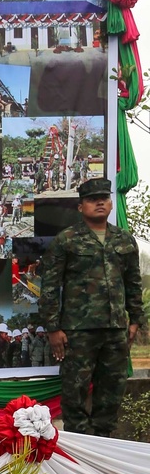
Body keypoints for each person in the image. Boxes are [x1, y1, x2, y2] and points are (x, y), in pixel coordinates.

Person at [38, 177, 145, 435]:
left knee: (111, 395)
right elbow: (50, 286)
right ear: (80, 206)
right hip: (78, 331)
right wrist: (53, 328)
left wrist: (135, 320)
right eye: (92, 199)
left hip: (115, 331)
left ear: (110, 204)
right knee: (74, 397)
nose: (100, 202)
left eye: (104, 198)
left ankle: (103, 449)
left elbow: (133, 282)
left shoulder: (125, 240)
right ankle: (80, 452)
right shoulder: (67, 240)